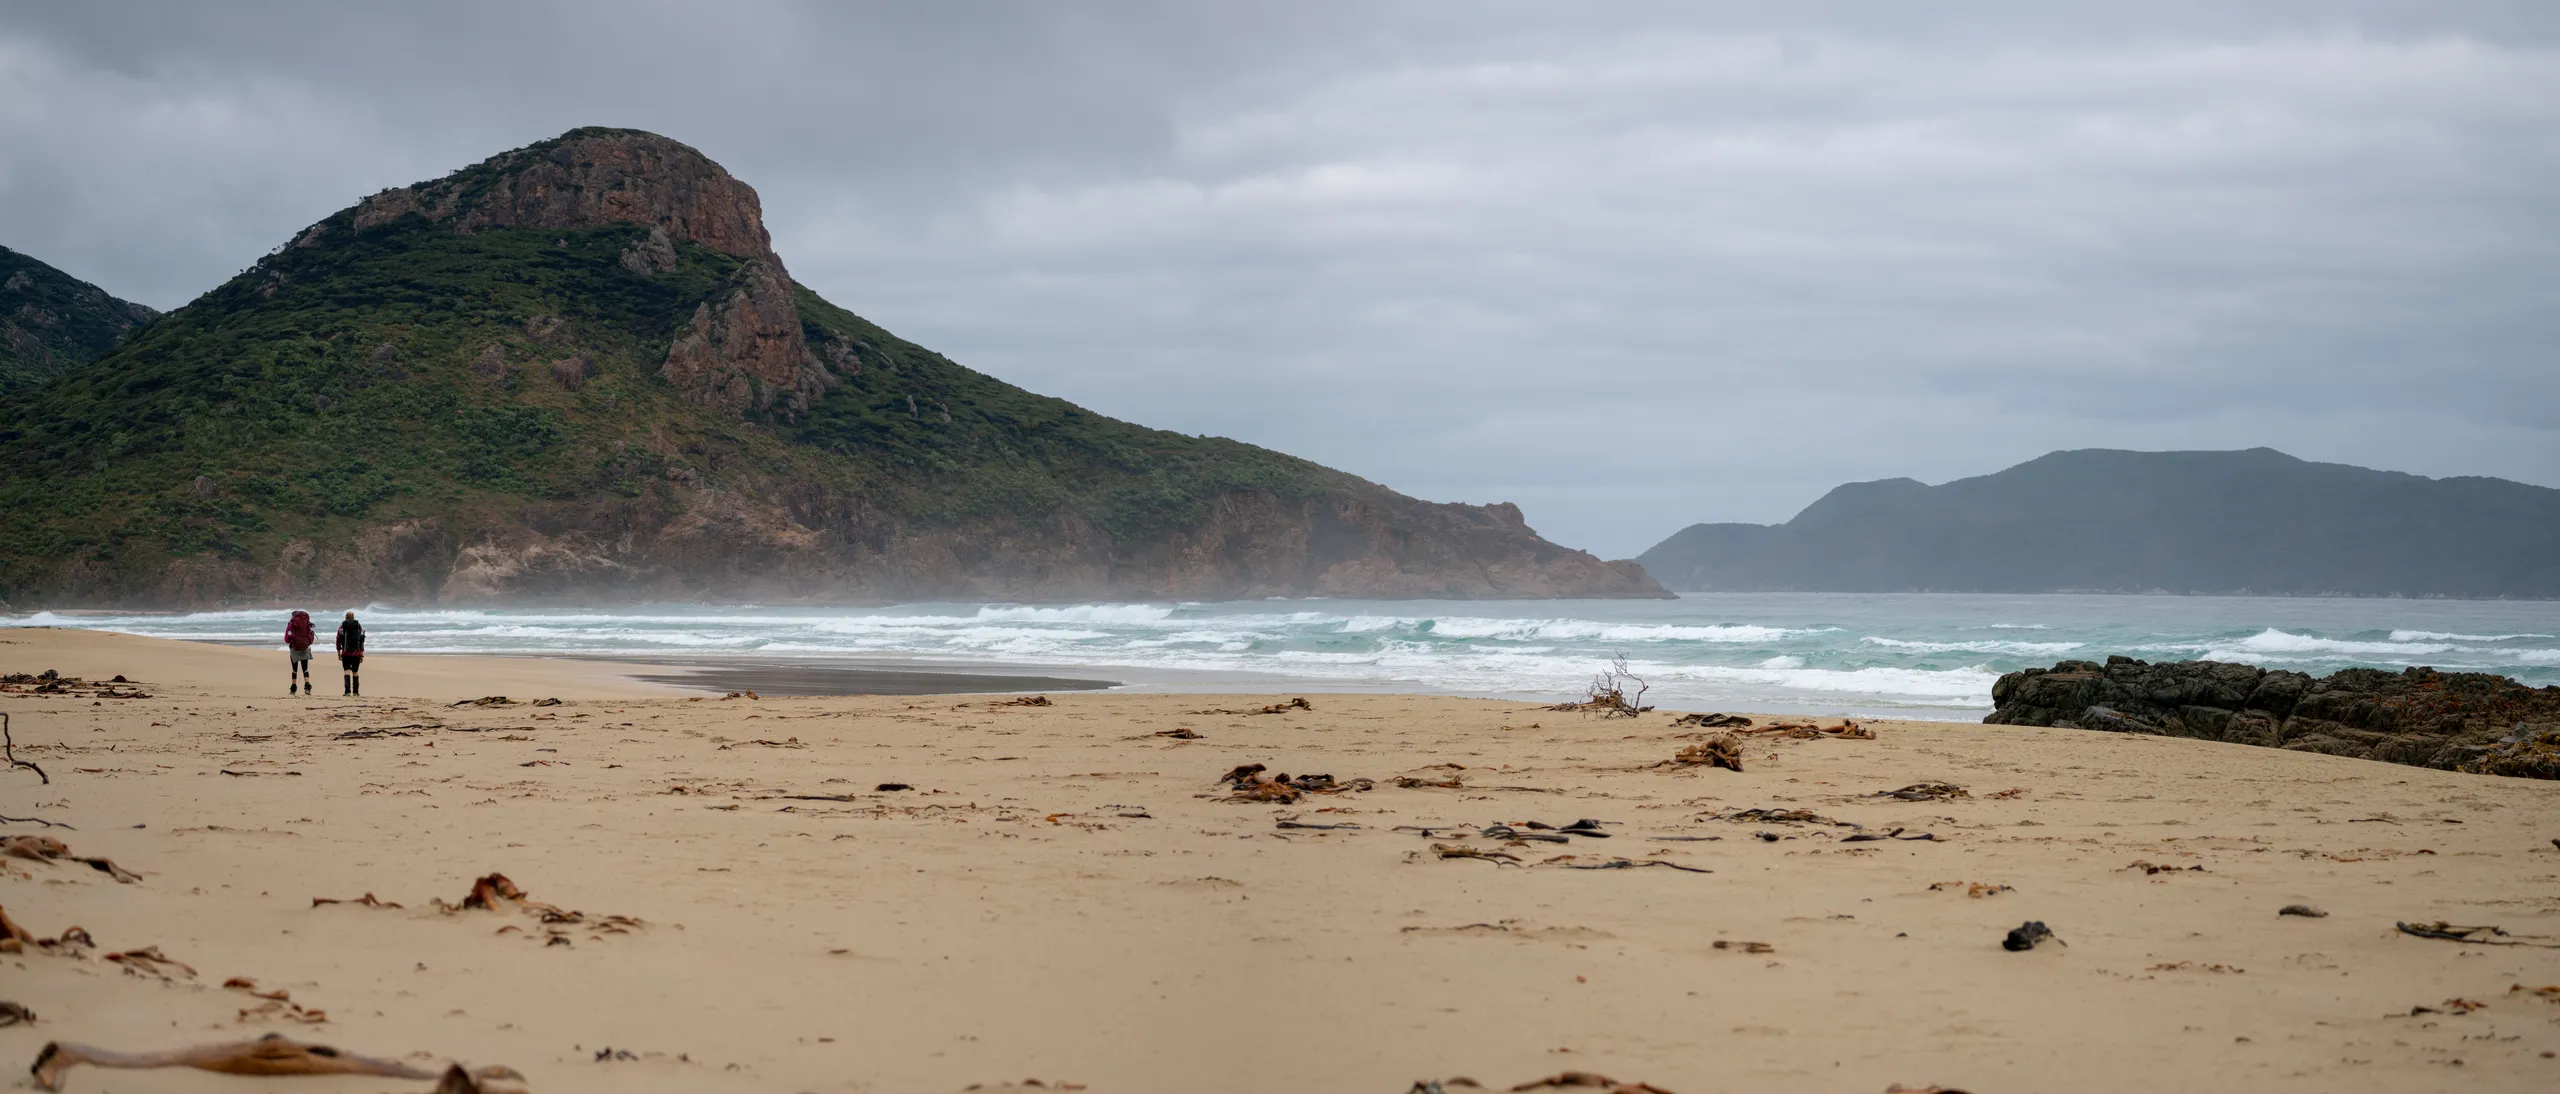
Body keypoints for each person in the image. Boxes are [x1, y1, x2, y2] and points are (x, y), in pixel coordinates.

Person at [334, 610, 367, 696]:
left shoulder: (342, 627)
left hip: (345, 653)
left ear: (346, 618)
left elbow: (338, 640)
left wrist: (338, 652)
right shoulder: (359, 627)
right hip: (356, 653)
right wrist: (362, 653)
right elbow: (361, 641)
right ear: (353, 618)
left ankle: (347, 691)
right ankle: (356, 692)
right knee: (355, 671)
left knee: (347, 671)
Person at [283, 610, 315, 695]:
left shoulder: (291, 624)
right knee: (305, 668)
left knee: (294, 669)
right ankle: (307, 687)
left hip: (294, 648)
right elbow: (310, 636)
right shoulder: (306, 623)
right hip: (305, 647)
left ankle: (293, 688)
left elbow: (286, 639)